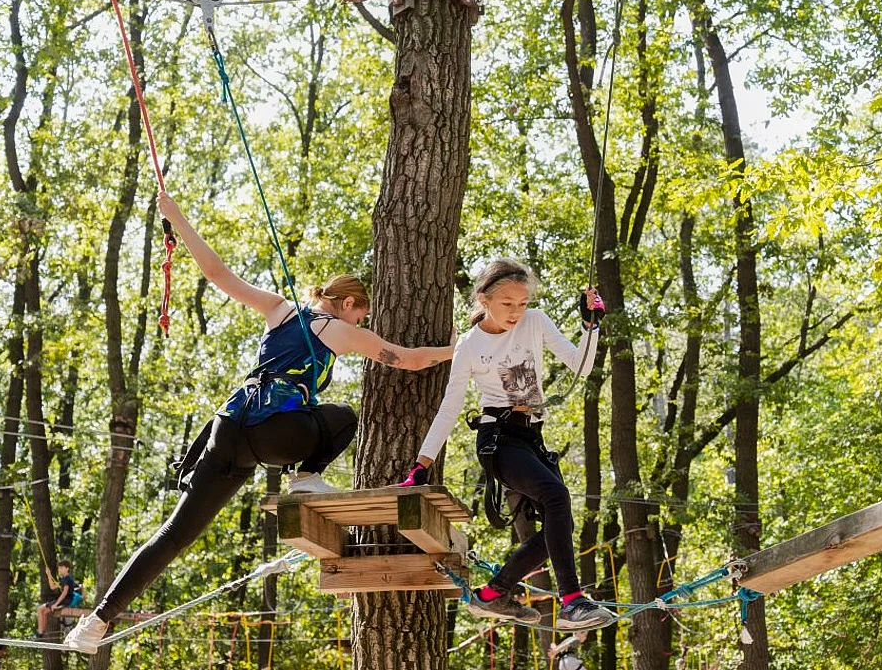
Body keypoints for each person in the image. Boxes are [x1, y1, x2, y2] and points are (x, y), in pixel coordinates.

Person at [63, 190, 455, 653]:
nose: (360, 322)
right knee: (343, 417)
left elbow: (217, 274)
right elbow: (407, 360)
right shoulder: (336, 329)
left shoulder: (279, 308)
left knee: (174, 534)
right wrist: (456, 350)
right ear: (348, 303)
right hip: (277, 434)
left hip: (228, 430)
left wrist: (178, 217)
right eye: (361, 314)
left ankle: (94, 624)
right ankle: (305, 477)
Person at [399, 258, 613, 630]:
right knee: (556, 497)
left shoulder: (535, 322)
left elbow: (581, 366)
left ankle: (492, 594)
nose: (516, 312)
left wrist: (590, 326)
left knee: (559, 526)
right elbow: (450, 407)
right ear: (484, 300)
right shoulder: (469, 346)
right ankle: (572, 602)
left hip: (532, 438)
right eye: (507, 303)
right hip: (498, 439)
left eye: (522, 303)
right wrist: (422, 465)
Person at [35, 560, 82, 638]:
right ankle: (41, 632)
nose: (59, 569)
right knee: (44, 612)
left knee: (40, 609)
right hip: (64, 600)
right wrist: (49, 575)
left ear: (67, 568)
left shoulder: (68, 579)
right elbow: (52, 586)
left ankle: (40, 631)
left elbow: (64, 593)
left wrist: (56, 604)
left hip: (65, 600)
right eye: (59, 568)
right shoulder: (63, 579)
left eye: (61, 568)